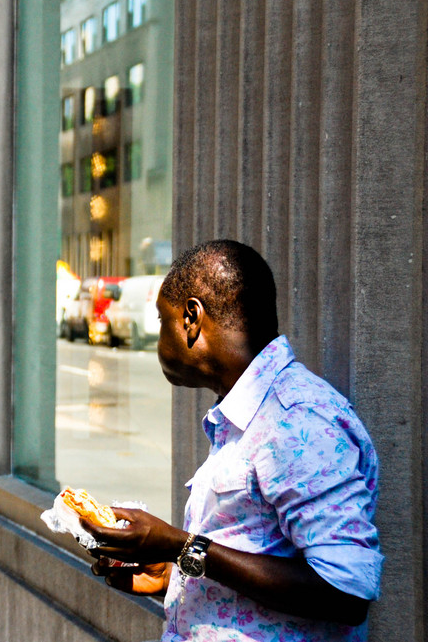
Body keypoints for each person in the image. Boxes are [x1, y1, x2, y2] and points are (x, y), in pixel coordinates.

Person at [83, 240, 382, 641]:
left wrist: (182, 546)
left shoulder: (296, 419)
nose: (159, 338)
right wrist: (170, 573)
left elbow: (344, 593)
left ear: (191, 317)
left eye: (162, 321)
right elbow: (251, 551)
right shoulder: (244, 416)